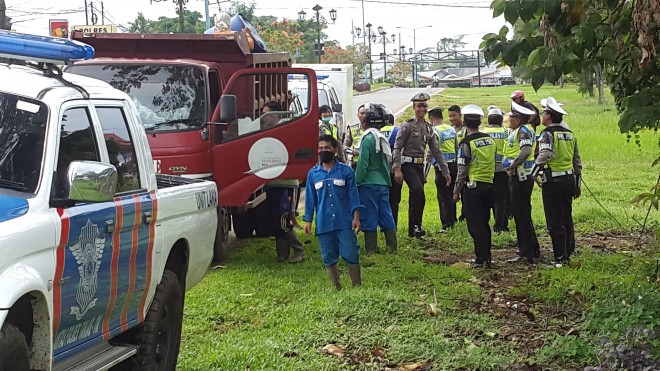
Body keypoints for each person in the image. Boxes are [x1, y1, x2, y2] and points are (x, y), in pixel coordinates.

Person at [303, 135, 363, 291]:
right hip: (324, 223)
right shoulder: (313, 174)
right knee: (328, 256)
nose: (324, 151)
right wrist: (308, 220)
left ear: (335, 150)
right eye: (321, 148)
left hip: (344, 222)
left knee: (350, 252)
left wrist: (356, 217)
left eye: (327, 148)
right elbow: (310, 199)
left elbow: (353, 196)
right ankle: (337, 288)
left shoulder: (346, 171)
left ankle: (357, 286)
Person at [530, 97, 582, 264]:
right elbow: (577, 162)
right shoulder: (569, 134)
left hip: (553, 182)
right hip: (568, 180)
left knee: (555, 222)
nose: (542, 115)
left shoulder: (547, 134)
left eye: (544, 112)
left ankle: (559, 259)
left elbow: (544, 155)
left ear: (549, 116)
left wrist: (533, 173)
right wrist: (577, 184)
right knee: (567, 217)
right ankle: (568, 252)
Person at [392, 92, 451, 238]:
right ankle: (414, 227)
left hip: (419, 166)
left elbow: (436, 151)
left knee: (418, 197)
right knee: (418, 191)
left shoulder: (428, 128)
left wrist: (446, 171)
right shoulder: (407, 126)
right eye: (419, 106)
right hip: (407, 164)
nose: (421, 109)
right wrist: (397, 169)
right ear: (413, 107)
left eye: (424, 106)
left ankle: (414, 228)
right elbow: (397, 148)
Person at [452, 105, 497, 268]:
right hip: (490, 186)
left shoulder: (466, 144)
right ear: (479, 122)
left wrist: (456, 192)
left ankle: (481, 258)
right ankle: (487, 256)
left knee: (475, 225)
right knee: (485, 223)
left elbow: (462, 170)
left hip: (473, 188)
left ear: (464, 122)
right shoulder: (489, 140)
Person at [355, 103, 397, 254]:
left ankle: (371, 249)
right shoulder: (381, 138)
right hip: (383, 183)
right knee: (386, 213)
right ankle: (392, 247)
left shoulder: (367, 139)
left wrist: (356, 182)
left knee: (370, 214)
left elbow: (363, 163)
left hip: (368, 183)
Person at [503, 105, 540, 264]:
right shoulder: (519, 130)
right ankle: (533, 248)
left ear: (517, 119)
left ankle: (526, 253)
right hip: (519, 177)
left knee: (521, 214)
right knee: (523, 213)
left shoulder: (523, 131)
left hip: (520, 178)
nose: (508, 119)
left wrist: (513, 165)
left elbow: (525, 151)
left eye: (511, 116)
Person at [425, 106, 457, 231]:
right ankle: (453, 219)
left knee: (443, 196)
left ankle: (446, 224)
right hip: (453, 165)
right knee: (451, 194)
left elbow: (430, 154)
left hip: (441, 167)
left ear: (431, 119)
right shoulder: (451, 129)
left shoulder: (434, 131)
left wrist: (425, 173)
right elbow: (456, 147)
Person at [482, 106, 510, 233]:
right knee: (501, 199)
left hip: (487, 171)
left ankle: (485, 224)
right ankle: (501, 225)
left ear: (488, 120)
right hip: (503, 170)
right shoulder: (507, 132)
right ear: (500, 121)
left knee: (486, 198)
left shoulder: (483, 132)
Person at [380, 110, 402, 226]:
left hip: (379, 172)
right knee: (394, 200)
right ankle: (393, 225)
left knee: (381, 200)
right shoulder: (398, 131)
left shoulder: (376, 131)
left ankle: (382, 224)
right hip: (394, 170)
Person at [344, 104, 366, 170]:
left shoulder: (375, 129)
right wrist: (352, 152)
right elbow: (345, 146)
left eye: (366, 113)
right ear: (358, 115)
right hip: (356, 163)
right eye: (362, 113)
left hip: (371, 164)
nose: (364, 115)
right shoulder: (352, 129)